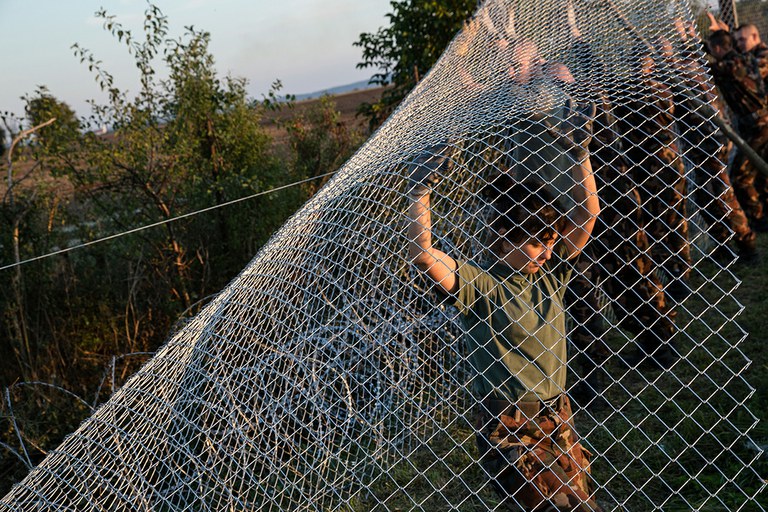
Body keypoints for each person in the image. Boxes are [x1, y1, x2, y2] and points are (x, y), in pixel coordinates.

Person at [405, 101, 602, 511]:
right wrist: (419, 189)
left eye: (551, 241)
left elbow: (588, 214)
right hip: (509, 426)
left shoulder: (551, 275)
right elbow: (424, 254)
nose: (547, 251)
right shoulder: (483, 285)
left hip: (558, 417)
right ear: (502, 235)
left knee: (582, 502)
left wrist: (580, 154)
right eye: (535, 241)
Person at [707, 28, 768, 232]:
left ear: (717, 48)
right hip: (759, 124)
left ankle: (759, 222)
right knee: (758, 173)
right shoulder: (744, 58)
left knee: (741, 178)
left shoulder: (732, 65)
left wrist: (686, 40)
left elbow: (710, 67)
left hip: (758, 126)